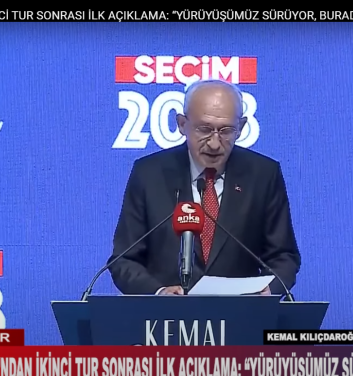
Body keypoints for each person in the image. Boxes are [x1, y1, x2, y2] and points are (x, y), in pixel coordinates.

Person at [108, 79, 300, 295]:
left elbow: (283, 256)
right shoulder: (149, 174)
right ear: (182, 124)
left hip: (241, 312)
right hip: (165, 314)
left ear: (241, 127)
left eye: (226, 131)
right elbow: (124, 259)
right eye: (204, 129)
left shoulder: (263, 175)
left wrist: (268, 291)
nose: (214, 143)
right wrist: (159, 293)